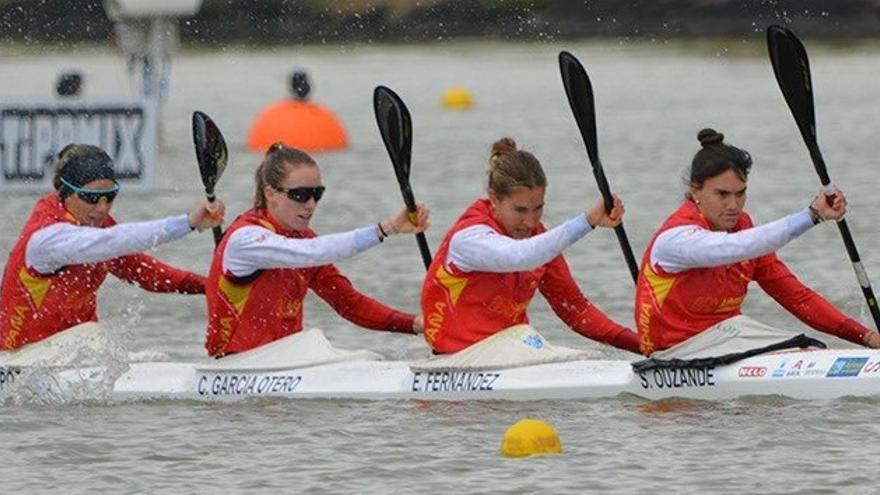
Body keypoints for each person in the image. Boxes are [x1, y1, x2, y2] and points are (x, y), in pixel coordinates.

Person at [635, 128, 880, 355]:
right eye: (722, 194)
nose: (733, 206)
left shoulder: (744, 228)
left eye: (740, 193)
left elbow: (796, 297)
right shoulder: (676, 239)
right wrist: (812, 216)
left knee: (810, 348)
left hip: (725, 342)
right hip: (671, 353)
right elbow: (734, 248)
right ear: (695, 190)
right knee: (802, 349)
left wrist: (865, 337)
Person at [204, 143, 429, 357]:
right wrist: (385, 229)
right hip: (237, 366)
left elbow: (348, 303)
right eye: (300, 195)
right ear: (270, 193)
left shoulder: (304, 239)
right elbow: (308, 252)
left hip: (284, 364)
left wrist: (415, 324)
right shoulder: (245, 239)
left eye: (317, 194)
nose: (311, 204)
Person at [421, 137, 640, 354]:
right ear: (494, 198)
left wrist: (642, 346)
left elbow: (576, 310)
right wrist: (587, 221)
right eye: (520, 210)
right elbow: (520, 256)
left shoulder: (539, 240)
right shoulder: (469, 238)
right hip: (457, 360)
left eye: (538, 208)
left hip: (509, 353)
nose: (530, 221)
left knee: (586, 358)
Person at [0, 144, 224, 350]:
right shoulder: (48, 238)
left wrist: (208, 285)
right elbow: (115, 241)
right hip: (20, 356)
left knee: (98, 339)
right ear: (64, 192)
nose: (102, 209)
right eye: (91, 198)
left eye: (109, 197)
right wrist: (188, 222)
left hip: (72, 350)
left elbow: (145, 273)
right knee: (92, 336)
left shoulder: (95, 223)